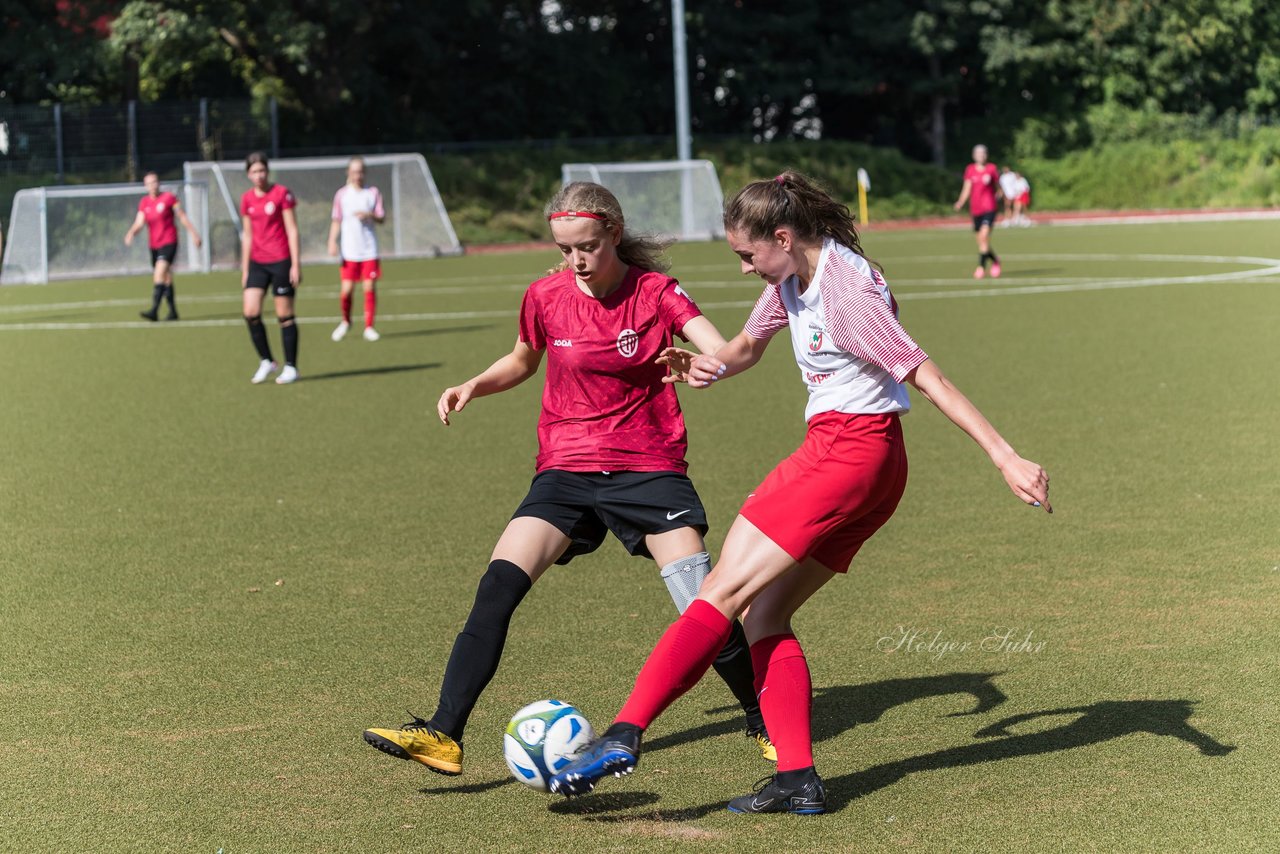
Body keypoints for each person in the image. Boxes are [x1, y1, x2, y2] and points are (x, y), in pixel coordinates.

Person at [550, 171, 1051, 814]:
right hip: (869, 468)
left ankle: (623, 734)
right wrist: (708, 365)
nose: (744, 268)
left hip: (846, 454)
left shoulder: (845, 293)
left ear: (782, 237)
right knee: (764, 614)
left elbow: (929, 377)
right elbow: (747, 346)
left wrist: (1005, 456)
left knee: (720, 592)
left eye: (747, 254)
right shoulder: (791, 277)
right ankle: (798, 779)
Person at [362, 182, 774, 778]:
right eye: (563, 248)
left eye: (586, 247)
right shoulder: (545, 295)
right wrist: (474, 384)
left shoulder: (655, 292)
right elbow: (524, 359)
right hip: (566, 467)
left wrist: (707, 364)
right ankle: (443, 733)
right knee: (496, 587)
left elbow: (714, 346)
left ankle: (761, 714)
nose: (575, 260)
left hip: (647, 466)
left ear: (614, 233)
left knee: (704, 604)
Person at [239, 151, 302, 384]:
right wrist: (245, 269)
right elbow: (247, 235)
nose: (259, 176)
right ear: (248, 174)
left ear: (268, 171)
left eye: (262, 171)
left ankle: (291, 367)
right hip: (257, 262)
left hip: (281, 260)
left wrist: (295, 264)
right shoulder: (246, 199)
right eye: (254, 172)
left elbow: (292, 230)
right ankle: (267, 360)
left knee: (284, 315)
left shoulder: (281, 194)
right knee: (250, 313)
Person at [124, 171, 202, 321]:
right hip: (154, 245)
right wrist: (131, 233)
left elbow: (182, 216)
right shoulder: (145, 202)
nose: (153, 185)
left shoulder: (169, 198)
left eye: (155, 182)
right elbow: (140, 222)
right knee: (166, 278)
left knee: (159, 274)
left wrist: (194, 234)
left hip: (169, 241)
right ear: (145, 186)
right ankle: (173, 312)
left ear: (159, 183)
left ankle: (154, 310)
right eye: (149, 183)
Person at [327, 156, 385, 342]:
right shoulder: (341, 195)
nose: (357, 175)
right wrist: (332, 241)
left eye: (360, 171)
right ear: (348, 173)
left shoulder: (372, 193)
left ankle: (369, 327)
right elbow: (336, 220)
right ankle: (346, 321)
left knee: (369, 287)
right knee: (347, 290)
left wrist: (370, 215)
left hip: (369, 250)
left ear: (364, 173)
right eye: (353, 171)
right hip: (349, 251)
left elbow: (382, 217)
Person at [954, 144, 1002, 279]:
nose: (981, 155)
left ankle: (981, 267)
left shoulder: (992, 168)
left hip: (990, 208)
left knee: (984, 236)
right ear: (974, 155)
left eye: (984, 153)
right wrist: (960, 202)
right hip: (975, 210)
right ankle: (995, 260)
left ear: (987, 155)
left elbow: (999, 188)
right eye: (978, 153)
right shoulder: (970, 169)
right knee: (981, 242)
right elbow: (966, 188)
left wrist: (998, 197)